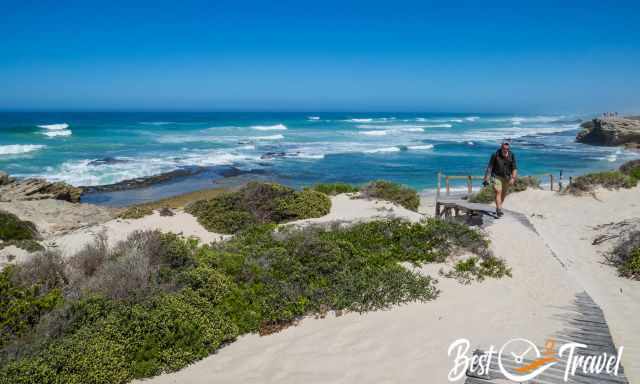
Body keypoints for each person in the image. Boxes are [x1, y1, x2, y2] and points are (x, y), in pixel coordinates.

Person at [483, 142, 518, 217]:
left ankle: (498, 207)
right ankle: (499, 210)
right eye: (504, 149)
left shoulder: (512, 155)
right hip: (496, 176)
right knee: (498, 191)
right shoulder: (495, 155)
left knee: (503, 194)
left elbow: (514, 168)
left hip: (507, 178)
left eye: (507, 149)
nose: (506, 150)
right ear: (501, 148)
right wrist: (487, 178)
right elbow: (490, 167)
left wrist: (513, 178)